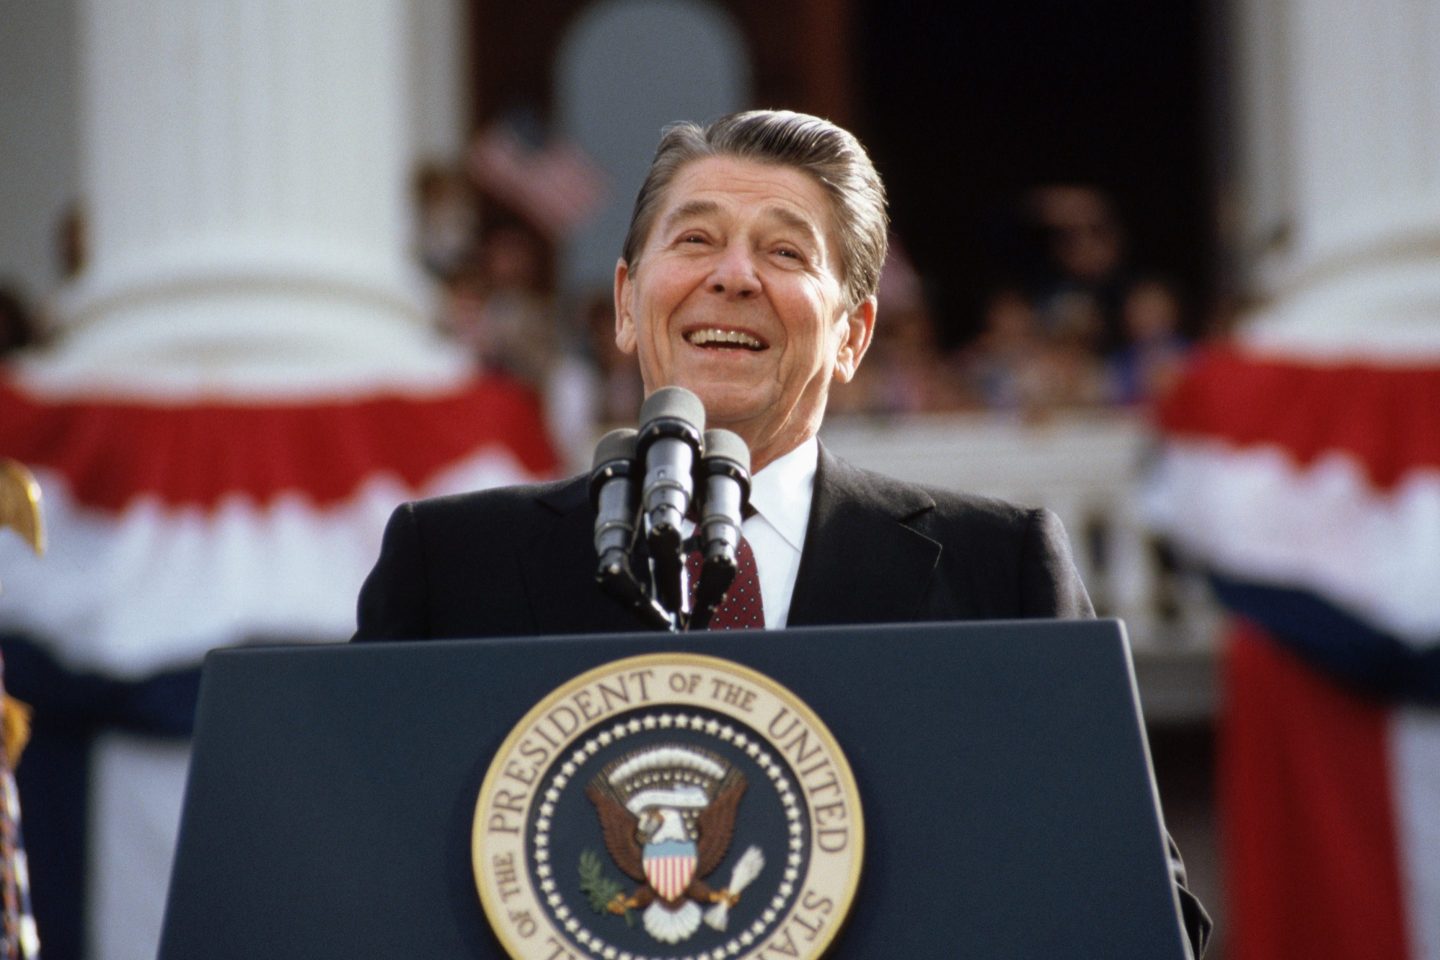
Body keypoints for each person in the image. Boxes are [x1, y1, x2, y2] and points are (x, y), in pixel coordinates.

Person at [353, 109, 1209, 955]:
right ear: (624, 303)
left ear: (853, 333)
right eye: (694, 241)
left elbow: (1139, 912)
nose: (732, 276)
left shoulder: (998, 572)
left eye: (785, 251)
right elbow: (350, 886)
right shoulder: (452, 569)